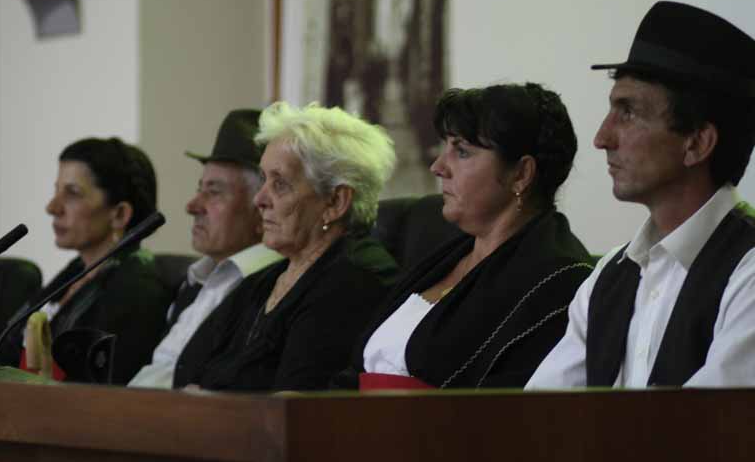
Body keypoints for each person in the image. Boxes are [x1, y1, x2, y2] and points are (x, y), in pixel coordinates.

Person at [528, 1, 755, 388]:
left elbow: (712, 423)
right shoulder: (608, 276)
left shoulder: (747, 273)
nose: (602, 138)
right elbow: (541, 413)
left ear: (697, 143)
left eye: (628, 112)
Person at [342, 83, 593, 389]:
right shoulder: (447, 251)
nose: (438, 167)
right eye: (445, 148)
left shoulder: (557, 278)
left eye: (461, 151)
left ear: (521, 174)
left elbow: (494, 403)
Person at [172, 102, 400, 391]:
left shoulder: (355, 280)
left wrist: (205, 400)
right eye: (263, 180)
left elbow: (294, 404)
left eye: (279, 184)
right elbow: (187, 369)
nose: (259, 200)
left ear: (335, 202)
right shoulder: (263, 281)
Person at [129, 110, 282, 389]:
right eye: (199, 188)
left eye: (214, 192)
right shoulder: (194, 281)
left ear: (262, 208)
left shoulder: (273, 291)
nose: (192, 206)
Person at [11, 137, 172, 384]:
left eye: (72, 194)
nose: (52, 207)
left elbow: (98, 385)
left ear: (119, 214)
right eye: (56, 191)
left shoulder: (137, 289)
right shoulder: (76, 271)